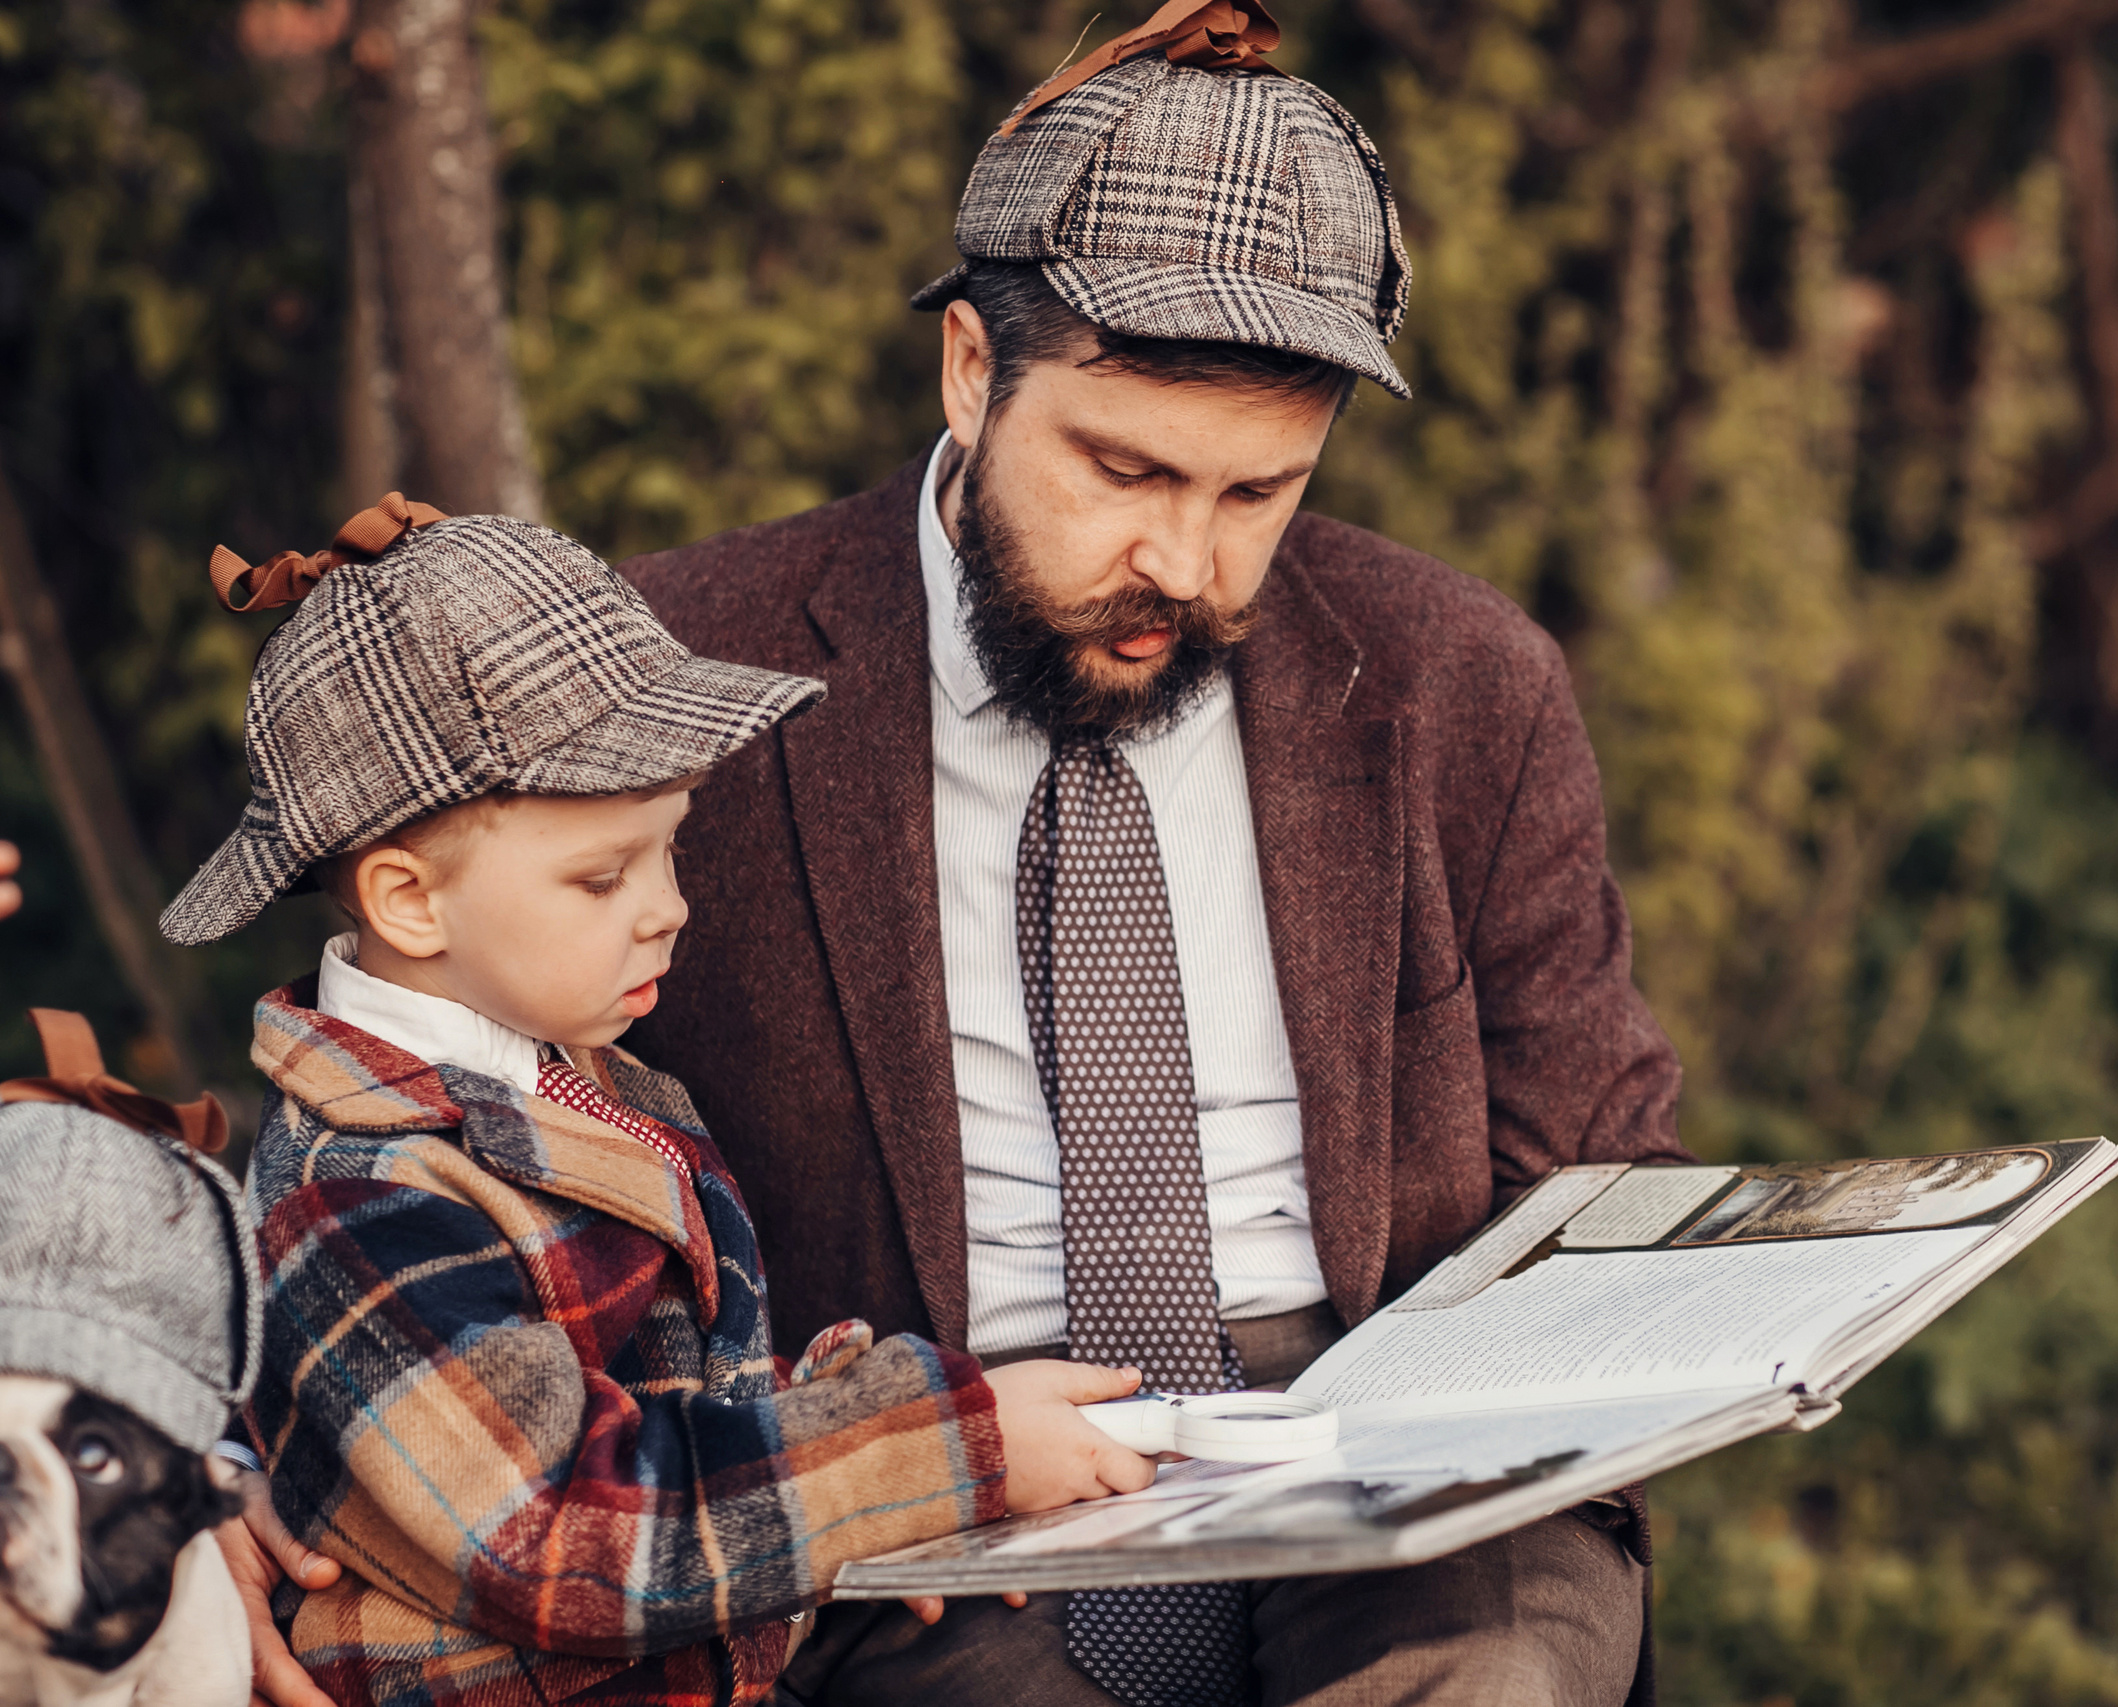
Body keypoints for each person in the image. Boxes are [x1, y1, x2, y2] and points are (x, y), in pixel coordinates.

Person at [235, 6, 1688, 1705]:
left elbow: (1599, 1174)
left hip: (1387, 1432)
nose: (1185, 561)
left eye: (1257, 492)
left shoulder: (1460, 682)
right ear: (971, 370)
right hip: (907, 1485)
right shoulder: (676, 668)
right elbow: (391, 1083)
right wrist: (232, 1468)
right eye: (1123, 468)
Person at [160, 496, 1156, 1704]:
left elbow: (674, 1398)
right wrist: (938, 1451)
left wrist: (866, 1469)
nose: (666, 905)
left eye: (668, 847)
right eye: (601, 875)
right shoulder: (360, 1192)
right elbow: (565, 1533)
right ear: (409, 903)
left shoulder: (576, 1075)